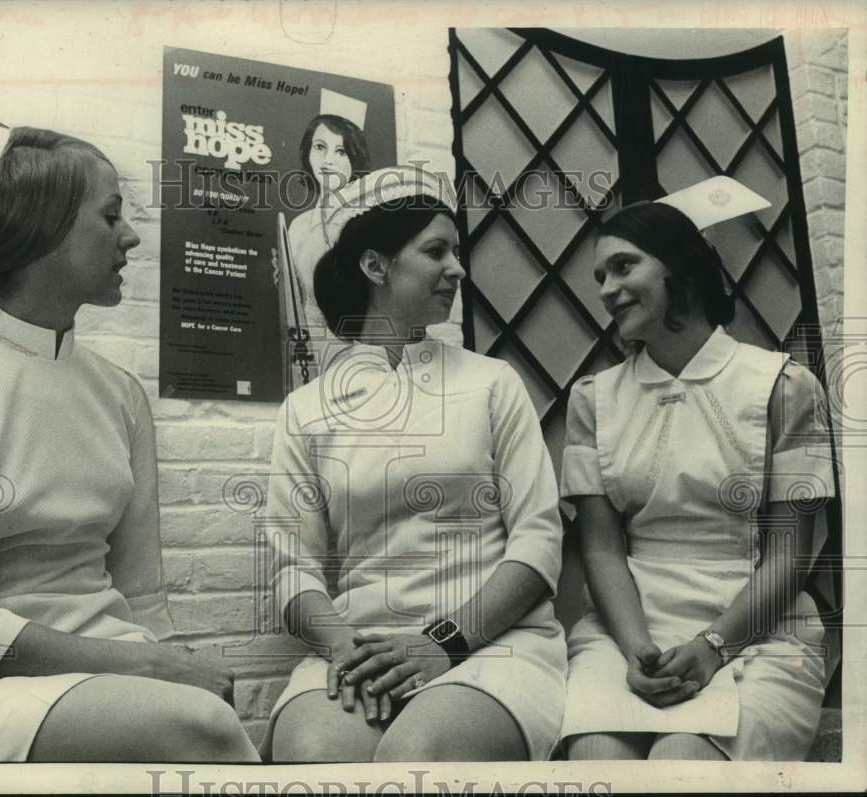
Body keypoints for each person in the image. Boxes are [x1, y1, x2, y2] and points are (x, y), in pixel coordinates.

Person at [0, 97, 259, 763]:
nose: (131, 237)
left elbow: (143, 593)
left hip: (109, 671)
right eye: (110, 215)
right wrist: (157, 674)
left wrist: (169, 661)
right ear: (44, 229)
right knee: (200, 727)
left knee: (206, 715)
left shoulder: (119, 396)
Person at [261, 166, 567, 762]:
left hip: (490, 646)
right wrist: (346, 646)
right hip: (360, 647)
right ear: (376, 267)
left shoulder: (491, 383)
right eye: (436, 251)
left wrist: (441, 642)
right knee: (315, 757)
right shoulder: (306, 410)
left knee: (417, 755)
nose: (456, 268)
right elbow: (292, 570)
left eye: (456, 252)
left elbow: (537, 540)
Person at [559, 184, 835, 761]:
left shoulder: (781, 387)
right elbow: (603, 551)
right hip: (627, 625)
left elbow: (792, 552)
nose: (607, 290)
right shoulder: (593, 399)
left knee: (682, 759)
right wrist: (639, 649)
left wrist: (713, 645)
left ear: (679, 266)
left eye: (623, 266)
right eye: (600, 278)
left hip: (758, 626)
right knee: (596, 759)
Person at [278, 114, 371, 385]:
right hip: (303, 354)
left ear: (354, 159)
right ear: (308, 153)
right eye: (320, 147)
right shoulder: (297, 226)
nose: (328, 160)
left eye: (341, 151)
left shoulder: (364, 221)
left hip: (352, 354)